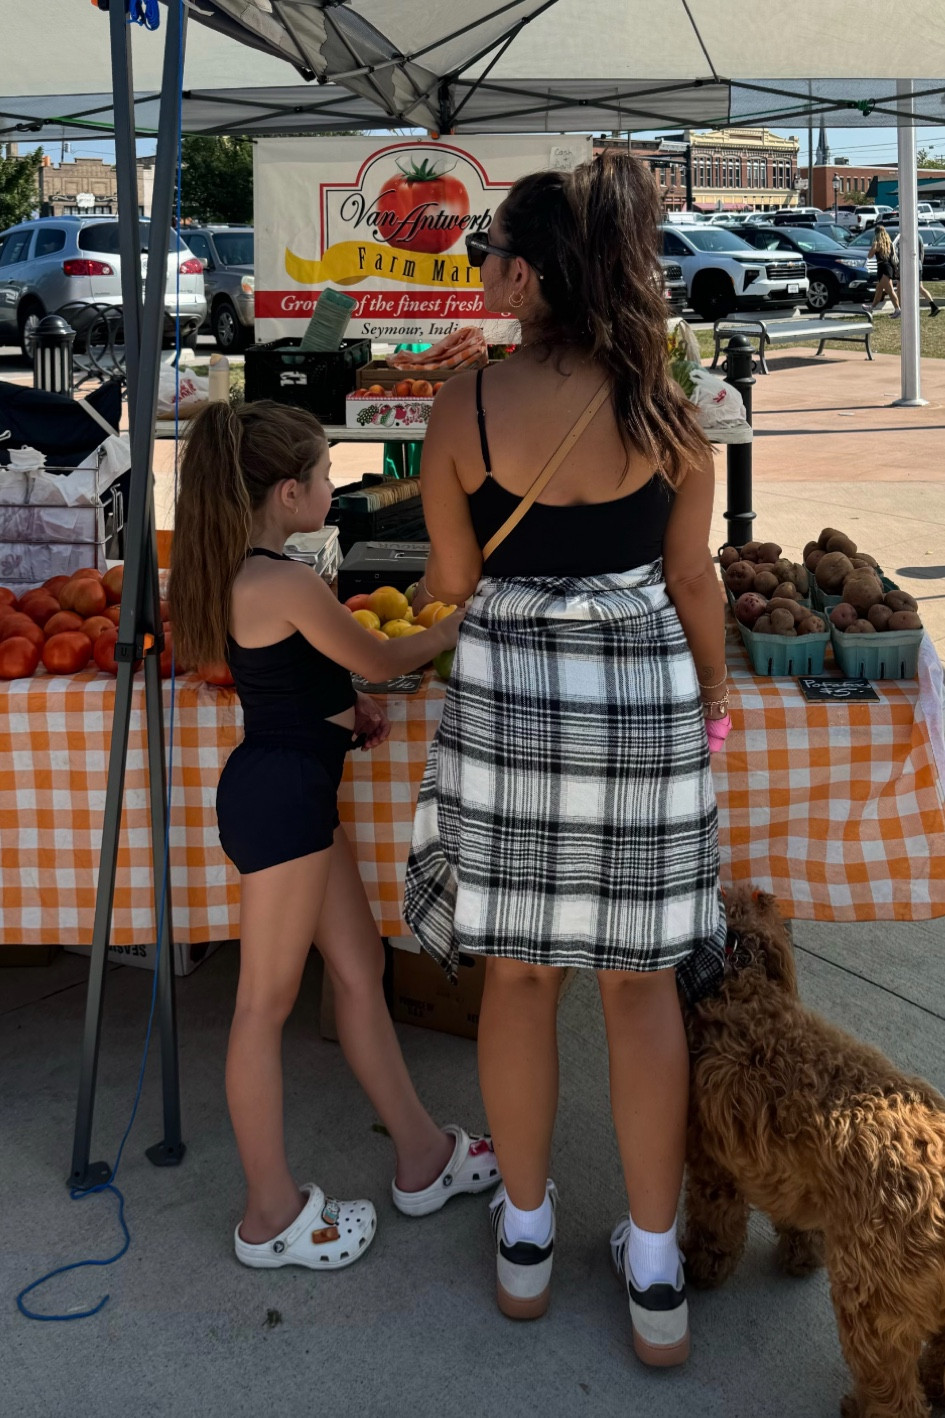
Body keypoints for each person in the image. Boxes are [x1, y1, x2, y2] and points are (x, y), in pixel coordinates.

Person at [403, 154, 729, 1364]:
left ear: (528, 273)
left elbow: (450, 583)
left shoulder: (463, 407)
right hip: (643, 692)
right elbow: (695, 580)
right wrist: (719, 696)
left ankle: (526, 1238)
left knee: (523, 976)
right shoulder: (667, 407)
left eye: (488, 252)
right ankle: (654, 1271)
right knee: (640, 987)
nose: (480, 269)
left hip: (508, 693)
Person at [169, 399, 498, 1274]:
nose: (332, 486)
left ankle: (423, 1155)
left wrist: (341, 714)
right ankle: (267, 1214)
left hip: (295, 791)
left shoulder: (257, 571)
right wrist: (457, 620)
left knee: (359, 972)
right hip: (281, 806)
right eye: (322, 475)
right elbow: (382, 658)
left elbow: (287, 679)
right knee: (261, 1008)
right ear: (287, 491)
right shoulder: (281, 580)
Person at [893, 227, 941, 316]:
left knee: (900, 286)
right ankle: (933, 306)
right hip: (917, 265)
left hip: (907, 265)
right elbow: (922, 252)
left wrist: (898, 267)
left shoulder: (906, 237)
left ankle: (900, 309)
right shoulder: (919, 236)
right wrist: (920, 264)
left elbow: (900, 253)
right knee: (919, 287)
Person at [867, 223, 901, 316]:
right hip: (888, 267)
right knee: (879, 290)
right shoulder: (889, 244)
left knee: (889, 290)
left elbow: (869, 256)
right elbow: (893, 258)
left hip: (882, 268)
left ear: (876, 233)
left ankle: (898, 310)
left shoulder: (877, 243)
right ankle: (871, 308)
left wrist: (874, 246)